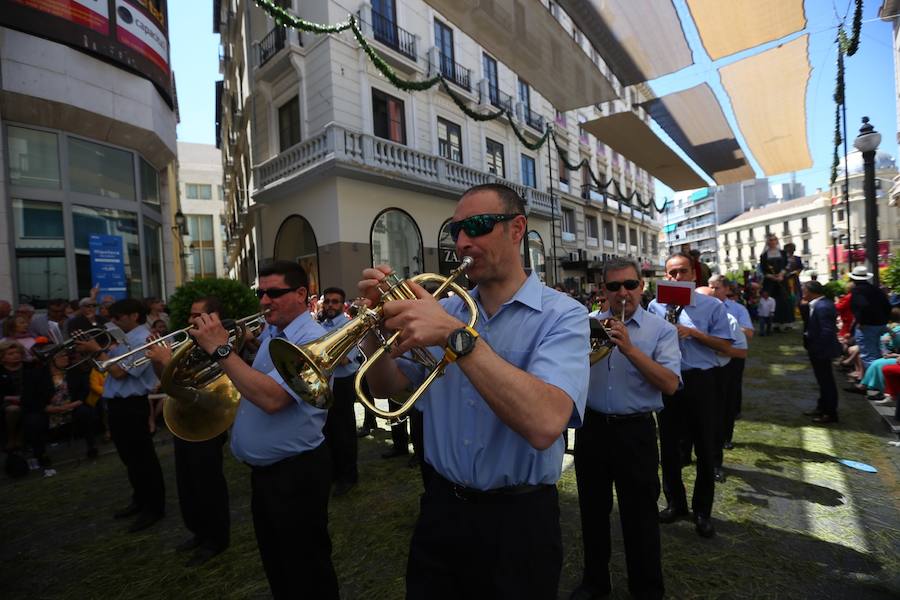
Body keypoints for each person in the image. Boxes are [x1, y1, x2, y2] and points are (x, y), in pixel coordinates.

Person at [358, 183, 589, 599]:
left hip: (520, 521)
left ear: (517, 229)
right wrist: (373, 330)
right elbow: (390, 388)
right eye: (456, 231)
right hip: (441, 508)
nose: (463, 241)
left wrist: (456, 337)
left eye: (478, 226)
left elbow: (545, 423)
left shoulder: (564, 315)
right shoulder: (443, 309)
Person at [189, 261, 338, 599]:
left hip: (295, 474)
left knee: (306, 571)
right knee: (280, 567)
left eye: (274, 292)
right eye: (260, 293)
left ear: (301, 294)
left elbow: (273, 400)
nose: (264, 300)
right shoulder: (275, 333)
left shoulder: (314, 339)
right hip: (271, 475)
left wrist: (221, 349)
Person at [571, 257, 680, 600]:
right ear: (602, 290)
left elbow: (670, 384)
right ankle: (595, 583)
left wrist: (630, 349)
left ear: (641, 286)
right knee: (592, 511)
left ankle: (647, 589)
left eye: (630, 285)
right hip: (593, 429)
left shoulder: (660, 330)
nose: (623, 293)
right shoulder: (585, 325)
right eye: (614, 286)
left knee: (641, 517)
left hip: (636, 433)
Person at [648, 253, 734, 538]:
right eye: (671, 273)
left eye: (682, 272)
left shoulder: (711, 306)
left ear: (693, 275)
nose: (676, 278)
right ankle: (675, 503)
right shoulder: (655, 305)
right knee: (669, 447)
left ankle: (702, 511)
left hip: (701, 379)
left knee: (705, 447)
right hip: (669, 380)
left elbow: (725, 346)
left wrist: (693, 333)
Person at [145, 296, 231, 567]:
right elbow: (171, 385)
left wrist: (168, 360)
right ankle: (198, 531)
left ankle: (216, 539)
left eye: (196, 315)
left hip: (208, 420)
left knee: (207, 483)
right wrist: (160, 362)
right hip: (184, 418)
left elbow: (202, 387)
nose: (190, 320)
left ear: (213, 317)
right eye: (190, 315)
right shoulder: (188, 341)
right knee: (186, 481)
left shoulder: (221, 342)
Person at [77, 298, 165, 533]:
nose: (113, 321)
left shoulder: (144, 339)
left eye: (118, 317)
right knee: (129, 458)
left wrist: (97, 350)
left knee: (142, 459)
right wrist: (96, 353)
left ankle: (154, 508)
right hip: (118, 405)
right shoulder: (125, 339)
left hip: (132, 405)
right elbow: (107, 367)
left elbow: (117, 372)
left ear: (134, 315)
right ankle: (140, 500)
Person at [696, 286, 747, 483]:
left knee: (715, 421)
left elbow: (741, 352)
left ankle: (715, 464)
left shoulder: (729, 320)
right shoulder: (683, 318)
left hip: (718, 373)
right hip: (692, 375)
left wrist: (712, 346)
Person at [318, 286, 361, 497]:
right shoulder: (321, 325)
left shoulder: (349, 326)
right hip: (326, 381)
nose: (330, 306)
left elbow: (345, 360)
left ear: (342, 305)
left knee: (344, 430)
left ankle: (349, 476)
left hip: (343, 381)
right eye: (327, 301)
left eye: (334, 302)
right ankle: (334, 472)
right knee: (328, 429)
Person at [21, 345, 96, 464]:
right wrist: (46, 408)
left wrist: (74, 404)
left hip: (72, 406)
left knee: (85, 412)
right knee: (33, 421)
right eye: (62, 356)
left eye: (66, 355)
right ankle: (41, 453)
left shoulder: (74, 370)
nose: (66, 358)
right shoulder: (35, 375)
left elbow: (84, 390)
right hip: (48, 410)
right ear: (51, 360)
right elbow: (29, 398)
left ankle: (91, 446)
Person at [709, 276, 751, 444]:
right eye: (710, 287)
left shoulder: (737, 309)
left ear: (727, 289)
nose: (712, 291)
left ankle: (726, 436)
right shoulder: (703, 308)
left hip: (732, 356)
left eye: (716, 287)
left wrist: (728, 326)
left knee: (729, 396)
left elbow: (749, 332)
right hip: (711, 356)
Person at [802, 281, 843, 423]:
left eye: (804, 290)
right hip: (818, 348)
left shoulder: (822, 306)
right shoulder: (819, 304)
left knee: (826, 382)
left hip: (821, 350)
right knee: (823, 381)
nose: (803, 293)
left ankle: (830, 413)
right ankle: (823, 407)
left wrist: (818, 348)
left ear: (811, 292)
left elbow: (827, 331)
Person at [848, 266, 891, 371]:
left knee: (869, 356)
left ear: (853, 279)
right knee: (879, 353)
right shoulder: (876, 289)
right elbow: (887, 306)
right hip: (880, 325)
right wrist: (884, 320)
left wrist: (861, 321)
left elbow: (862, 306)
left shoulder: (857, 291)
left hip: (867, 326)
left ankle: (877, 384)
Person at [757, 234, 792, 331]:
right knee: (771, 300)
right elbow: (763, 269)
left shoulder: (783, 253)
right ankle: (772, 324)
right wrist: (771, 276)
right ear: (767, 242)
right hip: (769, 282)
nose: (772, 242)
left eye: (774, 240)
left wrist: (781, 274)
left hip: (782, 280)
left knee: (783, 300)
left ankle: (785, 323)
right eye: (770, 240)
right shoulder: (764, 256)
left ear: (777, 241)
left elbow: (788, 265)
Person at [0, 340, 29, 452]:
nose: (15, 355)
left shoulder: (29, 367)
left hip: (29, 399)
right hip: (6, 401)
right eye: (10, 354)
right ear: (2, 357)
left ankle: (20, 438)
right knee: (14, 410)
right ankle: (11, 437)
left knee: (29, 407)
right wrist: (11, 398)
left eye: (17, 353)